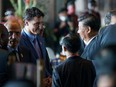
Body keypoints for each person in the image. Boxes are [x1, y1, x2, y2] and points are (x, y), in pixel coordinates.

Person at [19, 7, 52, 78]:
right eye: (36, 24)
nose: (40, 27)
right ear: (26, 23)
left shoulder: (40, 37)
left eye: (41, 23)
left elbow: (47, 64)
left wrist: (50, 78)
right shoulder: (19, 41)